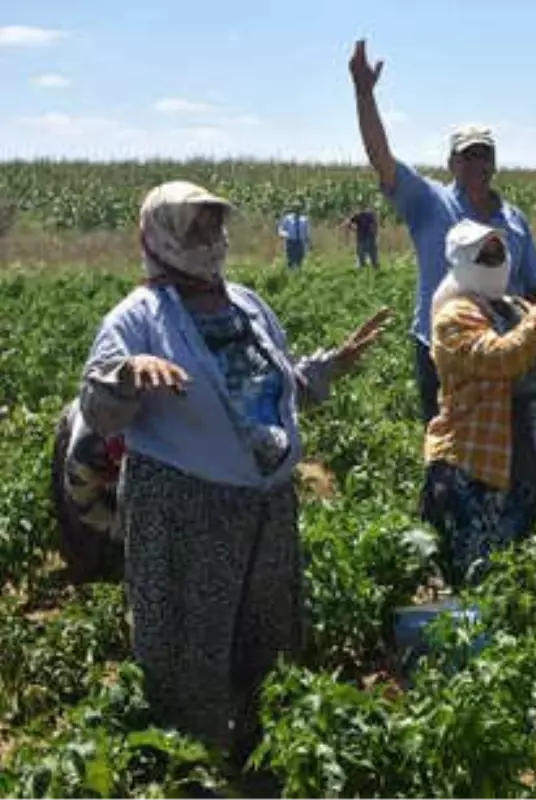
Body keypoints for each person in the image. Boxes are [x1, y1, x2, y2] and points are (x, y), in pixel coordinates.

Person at [78, 180, 391, 764]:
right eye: (196, 227)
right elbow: (97, 407)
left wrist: (330, 367)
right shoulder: (138, 316)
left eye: (215, 225)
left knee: (265, 632)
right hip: (185, 508)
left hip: (265, 505)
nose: (211, 239)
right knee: (188, 639)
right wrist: (129, 372)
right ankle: (189, 763)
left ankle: (259, 755)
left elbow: (275, 387)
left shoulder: (246, 303)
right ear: (162, 236)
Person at [349, 39, 536, 424]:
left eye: (484, 154)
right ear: (451, 162)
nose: (477, 162)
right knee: (447, 454)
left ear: (495, 162)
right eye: (467, 154)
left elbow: (534, 287)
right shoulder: (430, 202)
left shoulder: (514, 220)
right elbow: (382, 160)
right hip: (442, 353)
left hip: (502, 351)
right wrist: (364, 95)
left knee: (500, 451)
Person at [420, 220, 536, 587]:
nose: (496, 260)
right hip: (479, 461)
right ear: (463, 261)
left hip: (528, 451)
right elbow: (505, 357)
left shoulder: (513, 305)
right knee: (482, 572)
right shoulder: (454, 316)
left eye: (500, 252)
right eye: (485, 254)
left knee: (518, 560)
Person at [50, 398, 125, 584]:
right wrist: (120, 530)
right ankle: (85, 572)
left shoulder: (149, 437)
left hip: (122, 418)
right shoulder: (83, 454)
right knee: (78, 527)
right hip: (78, 422)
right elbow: (83, 503)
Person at [277, 203, 312, 270]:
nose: (297, 211)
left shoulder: (304, 220)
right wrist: (287, 234)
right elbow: (280, 230)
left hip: (300, 243)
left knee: (299, 261)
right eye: (295, 209)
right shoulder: (288, 219)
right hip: (290, 242)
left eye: (298, 209)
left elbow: (306, 233)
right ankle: (290, 276)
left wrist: (308, 243)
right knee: (290, 261)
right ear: (293, 209)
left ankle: (298, 276)